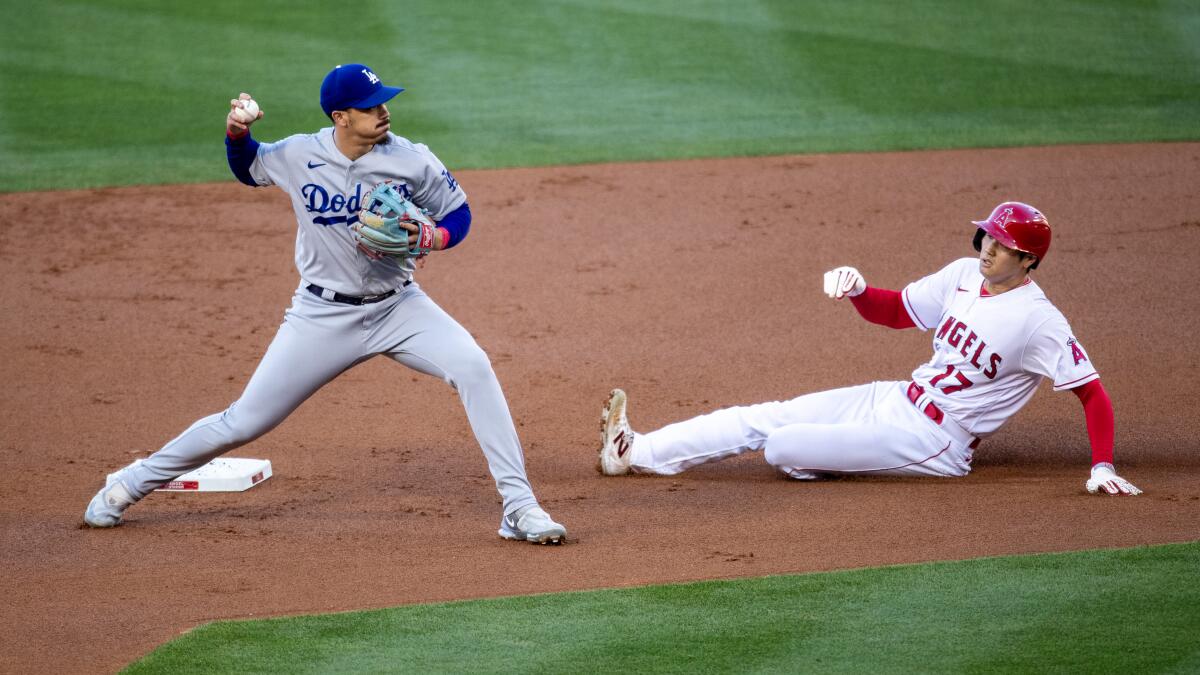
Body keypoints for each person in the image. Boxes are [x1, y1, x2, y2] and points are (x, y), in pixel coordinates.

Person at [84, 63, 567, 543]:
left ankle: (520, 507)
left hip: (400, 308)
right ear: (340, 116)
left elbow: (457, 213)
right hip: (321, 315)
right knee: (244, 422)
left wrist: (435, 236)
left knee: (474, 367)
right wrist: (236, 132)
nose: (383, 113)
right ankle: (130, 485)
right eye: (370, 107)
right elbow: (249, 167)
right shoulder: (298, 154)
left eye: (384, 103)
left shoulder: (412, 158)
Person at [597, 201, 1141, 496]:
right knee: (765, 417)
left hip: (937, 441)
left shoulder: (1040, 322)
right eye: (989, 238)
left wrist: (1100, 465)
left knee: (781, 448)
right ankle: (637, 453)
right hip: (896, 398)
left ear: (1029, 261)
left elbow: (1093, 395)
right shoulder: (960, 275)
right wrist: (859, 291)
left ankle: (827, 459)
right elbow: (899, 311)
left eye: (1005, 246)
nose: (990, 250)